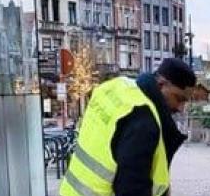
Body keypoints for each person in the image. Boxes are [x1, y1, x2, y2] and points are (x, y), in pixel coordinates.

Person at [60, 58, 196, 196]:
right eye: (179, 99)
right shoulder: (143, 120)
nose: (180, 108)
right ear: (161, 85)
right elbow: (132, 188)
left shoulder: (115, 87)